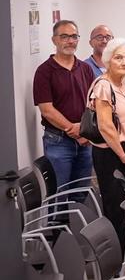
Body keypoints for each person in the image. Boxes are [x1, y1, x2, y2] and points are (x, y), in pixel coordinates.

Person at [89, 38, 125, 246]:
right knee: (115, 209)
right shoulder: (103, 86)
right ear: (108, 60)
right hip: (111, 154)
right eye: (118, 57)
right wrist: (123, 157)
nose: (124, 62)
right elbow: (106, 126)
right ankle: (116, 266)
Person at [33, 20, 95, 190]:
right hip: (58, 141)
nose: (70, 41)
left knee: (81, 191)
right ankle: (58, 219)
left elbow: (93, 103)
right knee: (58, 194)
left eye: (74, 36)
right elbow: (47, 110)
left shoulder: (85, 68)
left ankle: (77, 218)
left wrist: (84, 130)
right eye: (64, 36)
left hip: (85, 141)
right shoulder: (44, 71)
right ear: (54, 40)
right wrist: (75, 131)